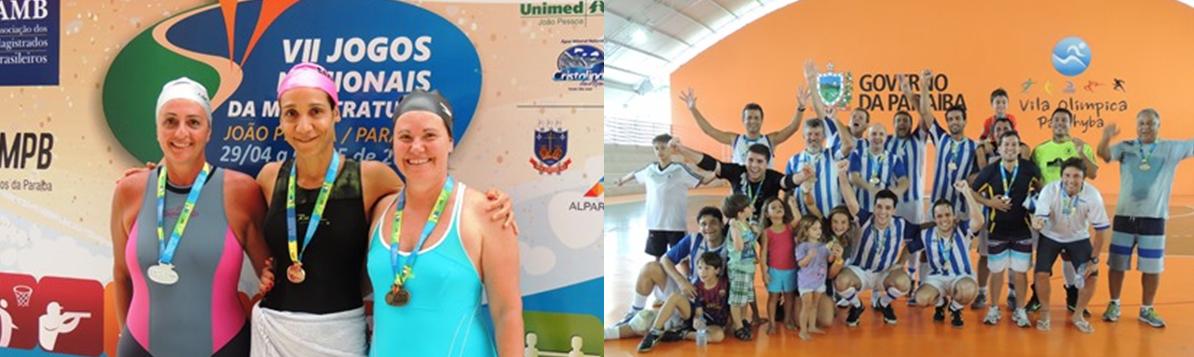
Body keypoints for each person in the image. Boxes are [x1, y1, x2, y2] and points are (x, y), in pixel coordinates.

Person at [251, 63, 515, 356]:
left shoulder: (375, 181)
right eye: (291, 114)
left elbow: (506, 314)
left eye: (315, 111)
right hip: (277, 332)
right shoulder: (270, 178)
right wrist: (267, 270)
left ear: (335, 113)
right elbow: (262, 243)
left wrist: (493, 203)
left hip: (340, 336)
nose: (303, 126)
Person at [110, 77, 271, 356]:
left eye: (193, 122)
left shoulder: (241, 191)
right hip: (140, 348)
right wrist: (127, 332)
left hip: (222, 347)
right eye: (170, 121)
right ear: (157, 130)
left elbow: (270, 275)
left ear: (209, 131)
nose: (181, 133)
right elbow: (121, 275)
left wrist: (271, 276)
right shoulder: (129, 191)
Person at [366, 90, 522, 355]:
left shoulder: (488, 213)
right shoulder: (381, 209)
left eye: (430, 136)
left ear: (450, 141)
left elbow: (507, 314)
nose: (416, 147)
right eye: (405, 137)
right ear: (392, 143)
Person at [1096, 108, 1194, 328]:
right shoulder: (1126, 147)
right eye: (1141, 123)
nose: (1145, 127)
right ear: (1136, 125)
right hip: (1125, 216)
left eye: (1150, 123)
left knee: (1152, 267)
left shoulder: (1171, 148)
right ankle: (1114, 304)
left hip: (1154, 218)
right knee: (1117, 264)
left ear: (1158, 126)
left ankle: (1146, 309)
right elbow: (1103, 154)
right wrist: (1106, 137)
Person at [605, 207, 729, 339]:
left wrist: (741, 319)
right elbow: (665, 259)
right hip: (690, 293)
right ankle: (634, 312)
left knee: (648, 322)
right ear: (699, 227)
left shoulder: (730, 246)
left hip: (713, 301)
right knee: (651, 268)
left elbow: (742, 279)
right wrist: (682, 281)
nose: (708, 227)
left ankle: (674, 327)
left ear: (721, 224)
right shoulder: (694, 239)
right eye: (704, 224)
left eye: (713, 222)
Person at [1026, 107, 1100, 314]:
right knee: (1043, 260)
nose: (1060, 123)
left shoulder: (1080, 146)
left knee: (1069, 257)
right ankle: (1037, 296)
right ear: (1050, 123)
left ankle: (1072, 294)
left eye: (1064, 120)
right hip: (1048, 216)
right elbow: (1034, 179)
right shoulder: (1039, 150)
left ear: (1070, 123)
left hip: (1074, 215)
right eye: (1056, 120)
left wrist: (1080, 154)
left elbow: (1093, 173)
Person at [1030, 158, 1109, 333]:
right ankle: (1045, 314)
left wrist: (1094, 259)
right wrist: (1038, 221)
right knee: (1041, 274)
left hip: (1078, 237)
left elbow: (1101, 231)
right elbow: (1040, 215)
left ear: (1084, 178)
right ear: (1061, 176)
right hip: (1050, 236)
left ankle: (1078, 315)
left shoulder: (1092, 195)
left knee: (1092, 275)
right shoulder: (1050, 190)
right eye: (1067, 175)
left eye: (1076, 176)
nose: (1071, 180)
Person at [972, 131, 1042, 328]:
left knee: (1020, 273)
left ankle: (1020, 311)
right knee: (996, 272)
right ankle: (994, 308)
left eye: (1014, 145)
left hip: (1022, 230)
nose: (1010, 148)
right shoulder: (990, 170)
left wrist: (1037, 208)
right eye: (1006, 145)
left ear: (1019, 148)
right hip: (997, 230)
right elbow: (973, 191)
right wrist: (989, 202)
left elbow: (1041, 190)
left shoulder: (1030, 169)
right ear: (1000, 149)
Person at [834, 189, 917, 326]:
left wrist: (902, 261)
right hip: (859, 271)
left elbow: (921, 232)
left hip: (884, 273)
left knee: (904, 282)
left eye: (888, 208)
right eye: (879, 207)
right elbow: (850, 201)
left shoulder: (901, 224)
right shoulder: (865, 218)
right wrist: (842, 173)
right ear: (874, 207)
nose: (882, 212)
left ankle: (883, 303)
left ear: (894, 210)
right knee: (841, 282)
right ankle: (856, 305)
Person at [613, 134, 703, 259]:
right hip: (655, 223)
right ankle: (658, 278)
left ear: (671, 149)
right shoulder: (650, 169)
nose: (659, 151)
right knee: (657, 258)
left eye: (663, 148)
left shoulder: (679, 169)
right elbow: (635, 174)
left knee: (682, 259)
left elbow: (700, 180)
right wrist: (622, 180)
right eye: (656, 148)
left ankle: (685, 278)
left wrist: (717, 173)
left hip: (675, 224)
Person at [909, 181, 984, 328]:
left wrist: (967, 192)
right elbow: (909, 248)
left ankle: (955, 307)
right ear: (935, 218)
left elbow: (979, 221)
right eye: (940, 216)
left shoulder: (962, 229)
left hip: (961, 276)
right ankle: (941, 303)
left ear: (954, 216)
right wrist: (900, 264)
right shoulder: (926, 234)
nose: (944, 219)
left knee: (969, 290)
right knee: (921, 299)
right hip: (937, 278)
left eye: (947, 215)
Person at [678, 87, 805, 165]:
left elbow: (792, 128)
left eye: (756, 118)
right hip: (740, 196)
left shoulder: (770, 140)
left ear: (762, 120)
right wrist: (693, 109)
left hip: (764, 194)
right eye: (749, 117)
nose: (753, 121)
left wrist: (800, 108)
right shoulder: (734, 139)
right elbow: (709, 131)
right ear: (743, 120)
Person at [636, 252, 730, 352]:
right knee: (675, 296)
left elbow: (732, 305)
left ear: (717, 270)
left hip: (715, 325)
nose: (702, 272)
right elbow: (698, 311)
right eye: (700, 268)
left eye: (707, 268)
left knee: (719, 336)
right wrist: (697, 319)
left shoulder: (724, 284)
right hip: (697, 319)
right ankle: (654, 332)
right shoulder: (698, 286)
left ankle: (683, 334)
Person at [848, 123, 910, 221]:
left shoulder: (893, 158)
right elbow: (853, 178)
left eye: (881, 134)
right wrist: (872, 189)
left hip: (883, 212)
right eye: (873, 134)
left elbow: (904, 181)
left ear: (886, 138)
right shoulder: (857, 154)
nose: (877, 137)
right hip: (860, 208)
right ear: (868, 137)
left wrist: (895, 192)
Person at [723, 194, 758, 341]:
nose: (752, 208)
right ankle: (738, 326)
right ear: (740, 212)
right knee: (737, 299)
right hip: (739, 269)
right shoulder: (735, 226)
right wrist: (736, 230)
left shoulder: (745, 224)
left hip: (748, 267)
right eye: (749, 207)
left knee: (745, 298)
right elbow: (739, 247)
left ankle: (743, 319)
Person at [759, 197, 797, 334]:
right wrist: (764, 272)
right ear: (767, 214)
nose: (778, 209)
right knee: (773, 297)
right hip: (775, 270)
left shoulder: (789, 227)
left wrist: (792, 204)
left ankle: (787, 320)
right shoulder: (767, 232)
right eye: (773, 207)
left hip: (791, 269)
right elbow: (763, 253)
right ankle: (772, 324)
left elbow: (797, 218)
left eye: (780, 206)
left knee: (789, 297)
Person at [793, 216, 831, 340]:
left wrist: (834, 252)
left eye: (819, 228)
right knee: (806, 305)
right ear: (806, 230)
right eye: (814, 229)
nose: (818, 231)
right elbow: (800, 263)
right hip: (806, 281)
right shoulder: (802, 246)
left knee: (815, 304)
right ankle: (803, 331)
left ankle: (812, 326)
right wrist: (809, 257)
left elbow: (828, 259)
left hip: (819, 280)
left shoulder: (823, 245)